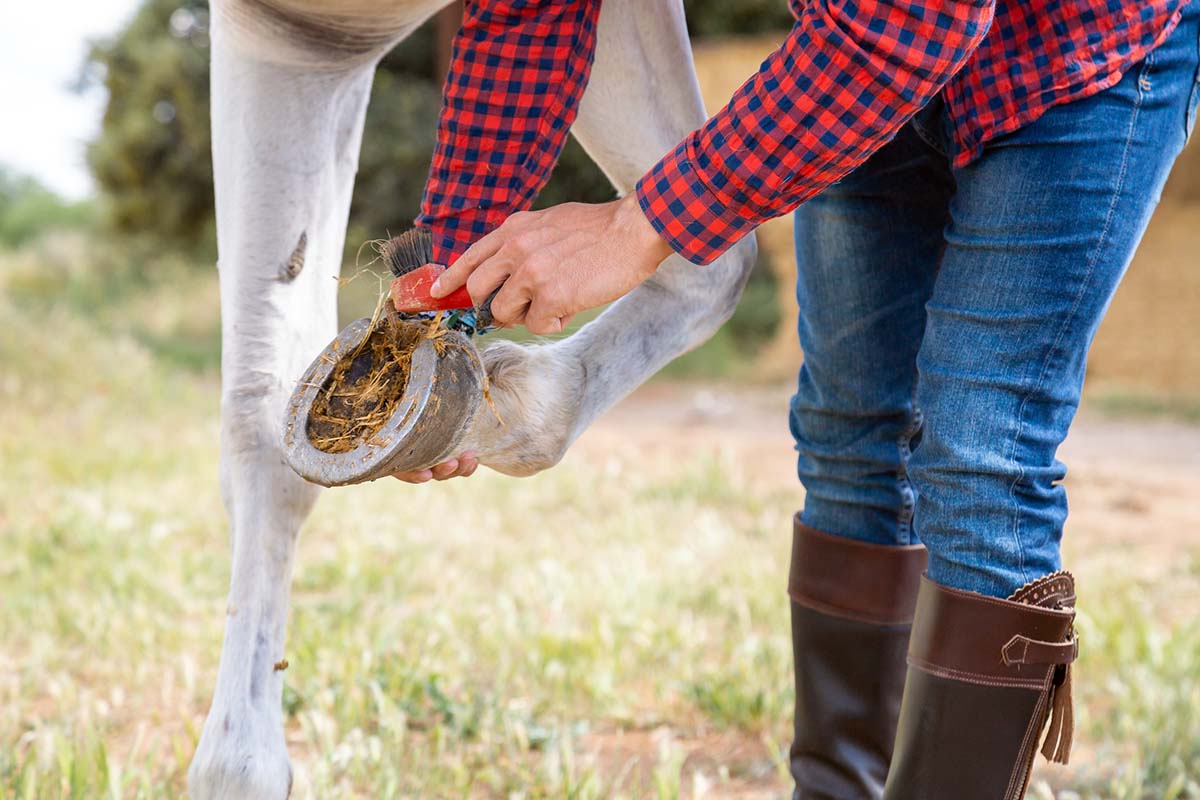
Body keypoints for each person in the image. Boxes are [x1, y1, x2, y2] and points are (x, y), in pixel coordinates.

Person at [401, 0, 1200, 797]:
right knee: (850, 434)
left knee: (978, 453)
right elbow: (531, 11)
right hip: (855, 71)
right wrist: (441, 317)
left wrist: (635, 224)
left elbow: (913, 25)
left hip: (1069, 57)